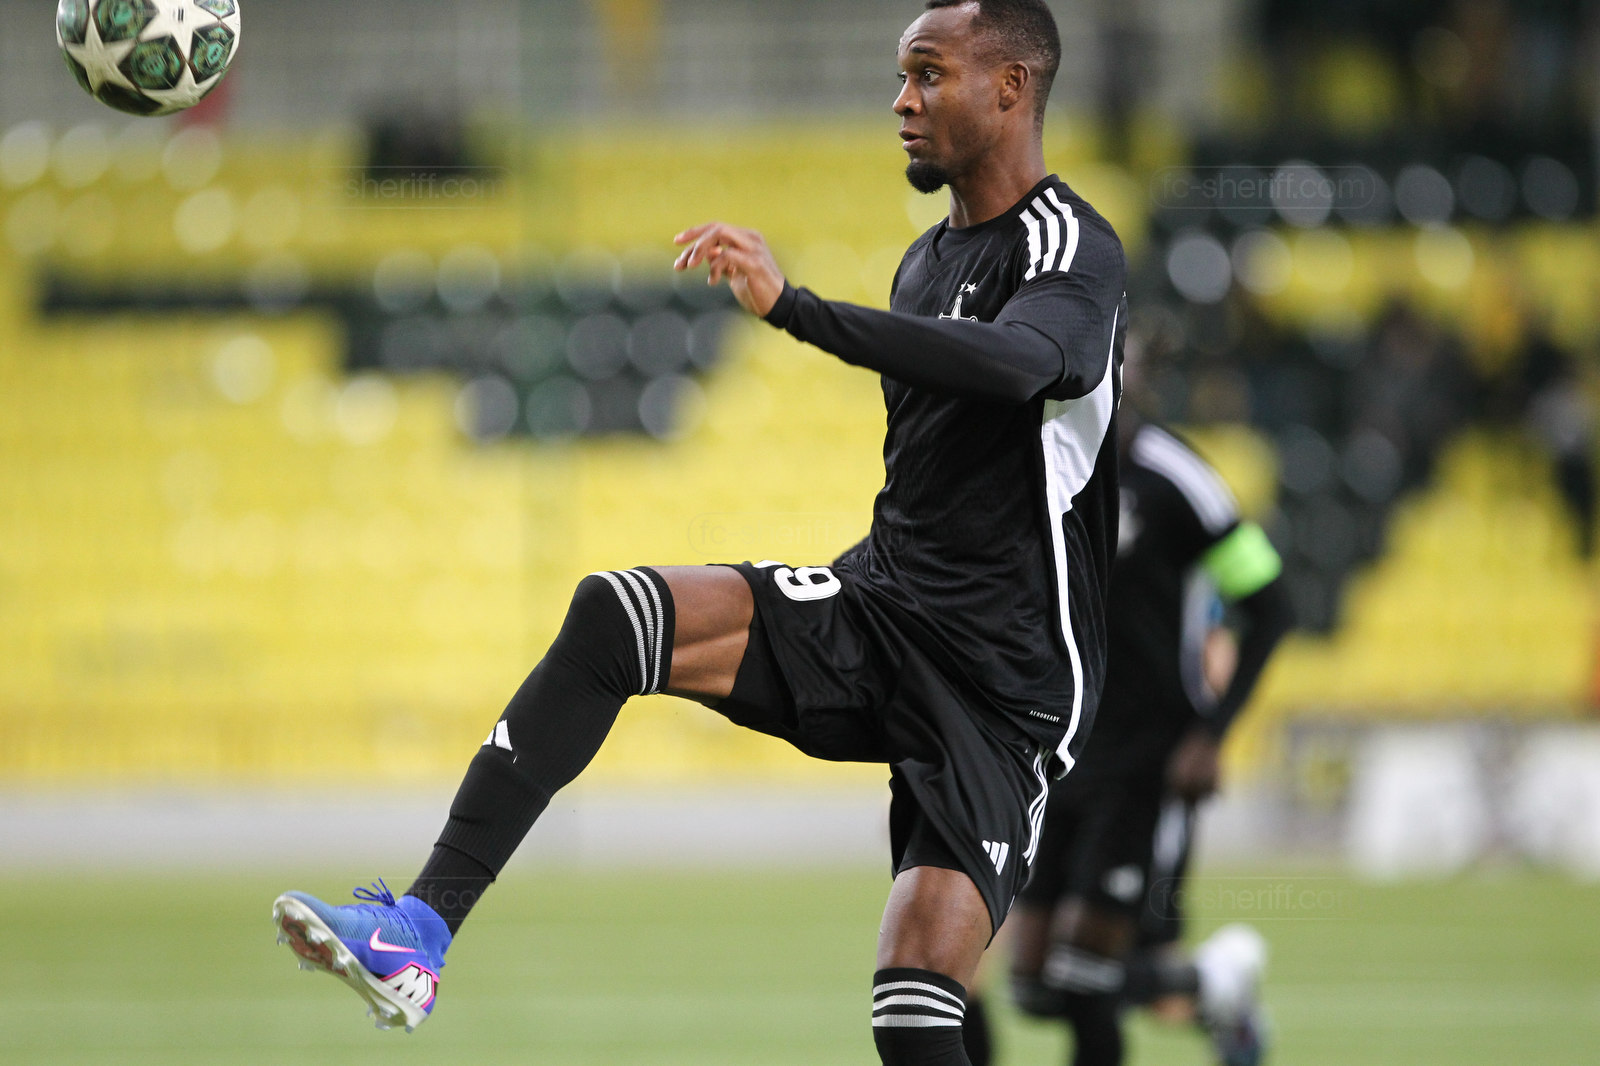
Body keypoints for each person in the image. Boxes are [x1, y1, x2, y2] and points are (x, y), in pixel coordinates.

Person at [272, 3, 1126, 1063]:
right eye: (902, 77)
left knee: (913, 1012)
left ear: (1010, 87)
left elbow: (1020, 364)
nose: (901, 101)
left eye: (927, 74)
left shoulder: (1069, 245)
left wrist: (798, 310)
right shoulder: (925, 263)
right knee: (616, 615)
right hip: (889, 609)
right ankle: (419, 932)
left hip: (1005, 684)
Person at [1004, 409, 1292, 1066]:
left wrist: (1211, 735)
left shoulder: (1179, 480)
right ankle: (1212, 983)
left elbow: (1271, 603)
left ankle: (1203, 983)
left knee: (1085, 979)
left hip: (1147, 758)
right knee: (1034, 987)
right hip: (1059, 750)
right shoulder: (1036, 461)